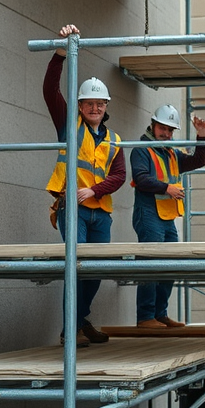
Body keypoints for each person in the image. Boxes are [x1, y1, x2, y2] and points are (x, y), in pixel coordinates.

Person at [43, 24, 125, 347]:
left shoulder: (114, 139)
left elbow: (119, 175)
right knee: (76, 269)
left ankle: (80, 320)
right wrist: (61, 51)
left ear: (106, 106)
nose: (94, 108)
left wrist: (95, 190)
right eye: (89, 103)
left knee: (95, 272)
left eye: (100, 104)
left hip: (100, 213)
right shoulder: (68, 124)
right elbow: (50, 89)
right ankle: (70, 332)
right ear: (79, 106)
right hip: (73, 210)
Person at [130, 101, 205, 329]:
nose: (166, 133)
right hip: (148, 214)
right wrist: (167, 188)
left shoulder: (171, 153)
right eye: (162, 128)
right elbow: (141, 178)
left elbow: (198, 160)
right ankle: (145, 317)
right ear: (152, 125)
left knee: (170, 264)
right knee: (150, 264)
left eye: (170, 130)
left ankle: (160, 314)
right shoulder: (141, 150)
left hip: (166, 217)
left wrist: (201, 136)